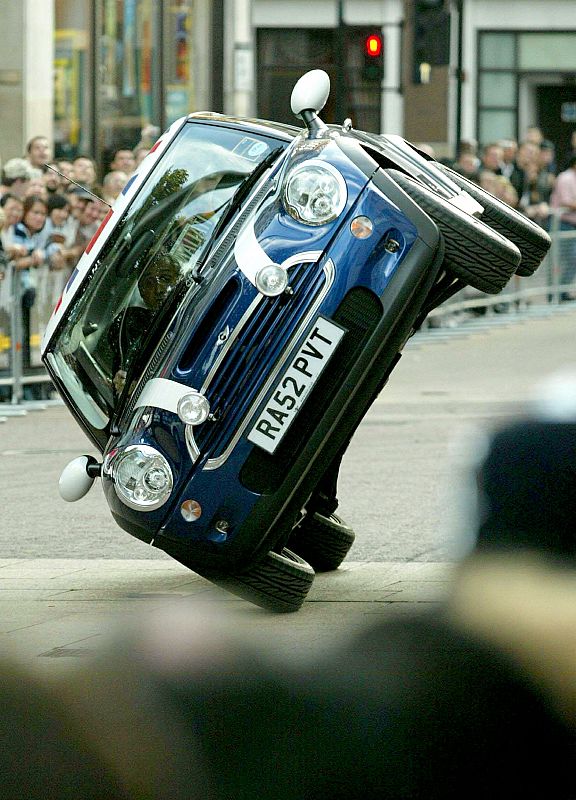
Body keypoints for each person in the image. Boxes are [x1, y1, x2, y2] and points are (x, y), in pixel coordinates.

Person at [109, 251, 182, 394]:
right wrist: (127, 383)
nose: (159, 289)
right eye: (149, 283)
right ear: (141, 291)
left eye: (165, 278)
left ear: (179, 279)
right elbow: (124, 374)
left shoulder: (194, 310)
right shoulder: (132, 323)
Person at [550, 154, 576, 299]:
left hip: (573, 225)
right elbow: (565, 201)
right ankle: (556, 293)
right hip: (563, 224)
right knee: (564, 259)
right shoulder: (565, 178)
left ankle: (562, 292)